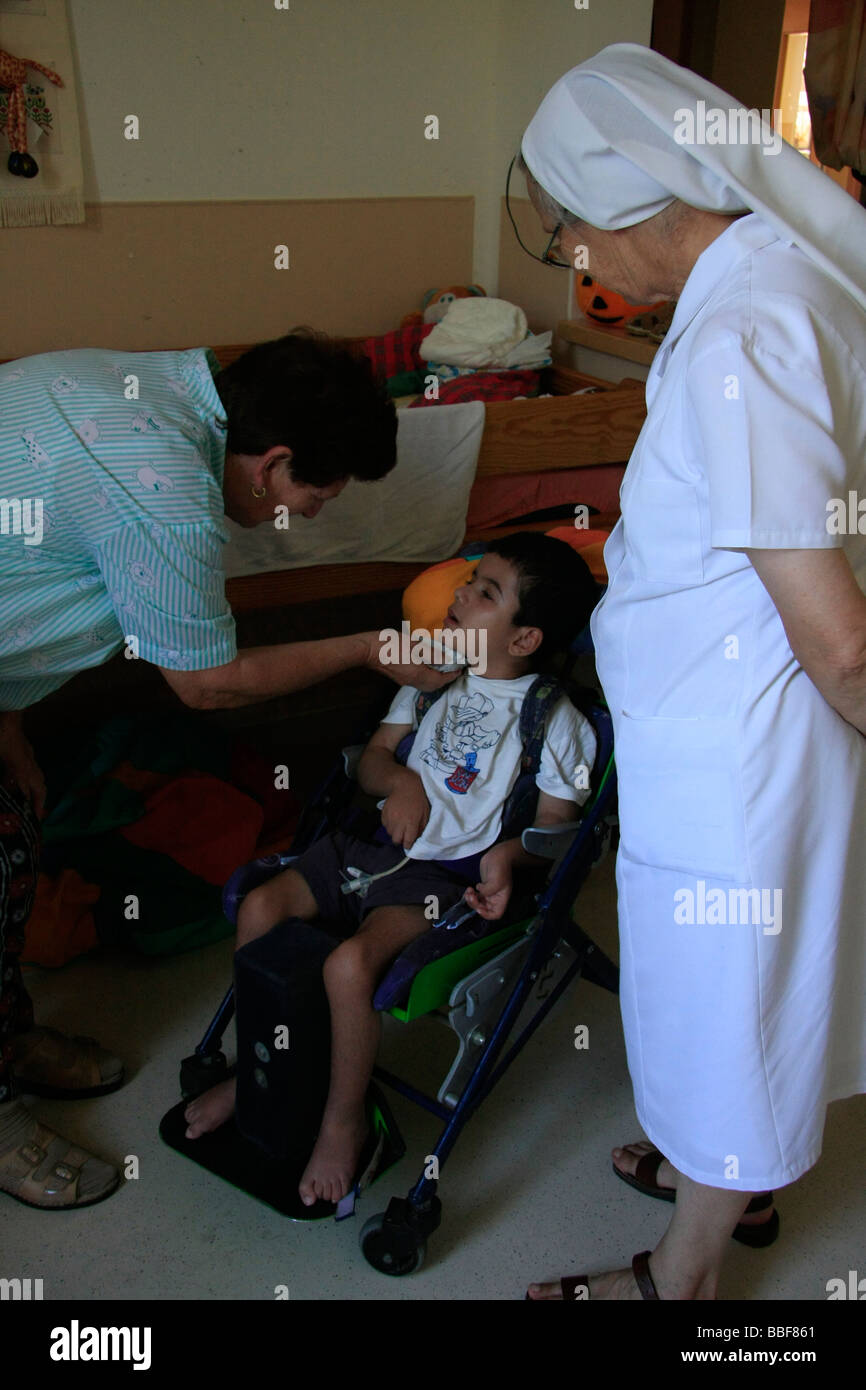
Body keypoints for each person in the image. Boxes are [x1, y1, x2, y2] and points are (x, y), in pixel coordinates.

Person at [513, 43, 866, 1301]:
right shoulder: (762, 280)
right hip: (721, 728)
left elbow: (838, 637)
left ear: (634, 204)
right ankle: (731, 1177)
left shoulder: (747, 329)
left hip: (738, 751)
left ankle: (685, 1275)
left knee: (727, 1003)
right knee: (749, 983)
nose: (578, 263)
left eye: (572, 235)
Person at [0, 330, 453, 1209]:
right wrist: (368, 645)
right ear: (272, 461)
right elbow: (206, 687)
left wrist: (9, 721)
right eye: (317, 492)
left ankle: (8, 1036)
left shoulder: (165, 381)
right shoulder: (162, 492)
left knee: (17, 841)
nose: (316, 512)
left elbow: (24, 565)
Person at [183, 532, 599, 1205]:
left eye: (486, 592)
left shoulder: (556, 720)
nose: (461, 594)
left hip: (441, 879)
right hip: (367, 845)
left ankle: (341, 1122)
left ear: (524, 639)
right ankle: (262, 1066)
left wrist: (507, 855)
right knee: (262, 908)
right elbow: (372, 759)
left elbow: (556, 825)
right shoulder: (427, 674)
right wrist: (400, 784)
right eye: (471, 581)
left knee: (349, 965)